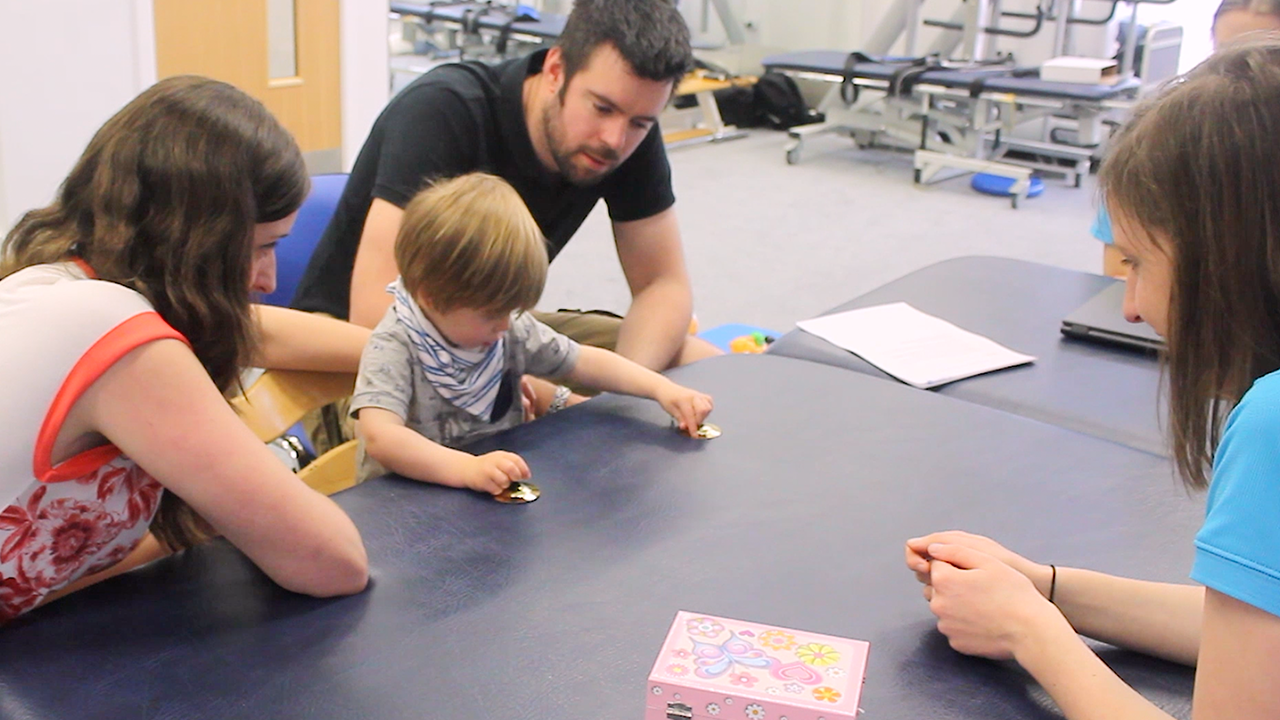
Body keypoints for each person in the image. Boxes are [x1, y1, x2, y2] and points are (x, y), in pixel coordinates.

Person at [906, 40, 1280, 719]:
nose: (1131, 307)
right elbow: (1254, 625)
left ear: (1226, 254)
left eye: (1137, 262)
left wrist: (1030, 631)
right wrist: (1048, 590)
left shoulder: (1273, 422)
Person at [0, 76, 370, 623]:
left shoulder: (57, 287)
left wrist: (423, 348)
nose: (267, 279)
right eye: (262, 248)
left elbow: (257, 329)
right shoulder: (112, 331)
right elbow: (334, 564)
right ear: (197, 242)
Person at [291, 0, 720, 373]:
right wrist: (510, 383)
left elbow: (662, 285)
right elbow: (375, 312)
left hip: (488, 331)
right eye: (602, 108)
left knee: (692, 362)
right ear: (556, 69)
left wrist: (626, 392)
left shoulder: (626, 133)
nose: (615, 139)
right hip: (363, 354)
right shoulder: (443, 111)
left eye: (640, 122)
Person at [353, 173, 714, 490]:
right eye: (491, 314)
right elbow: (381, 437)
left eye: (511, 311)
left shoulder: (506, 328)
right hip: (402, 506)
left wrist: (660, 387)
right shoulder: (395, 345)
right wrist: (465, 468)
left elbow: (583, 361)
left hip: (485, 490)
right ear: (431, 297)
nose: (505, 325)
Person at [1100, 0, 1280, 276]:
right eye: (1227, 56)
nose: (1245, 77)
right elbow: (1121, 266)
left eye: (1266, 59)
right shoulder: (1165, 145)